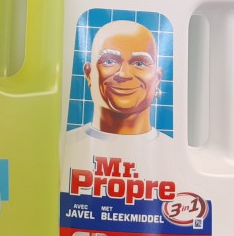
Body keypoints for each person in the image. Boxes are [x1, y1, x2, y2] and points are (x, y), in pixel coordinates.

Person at [62, 19, 164, 155]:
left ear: (157, 78)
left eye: (139, 63)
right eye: (109, 61)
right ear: (89, 73)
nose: (124, 74)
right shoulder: (64, 147)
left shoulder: (171, 152)